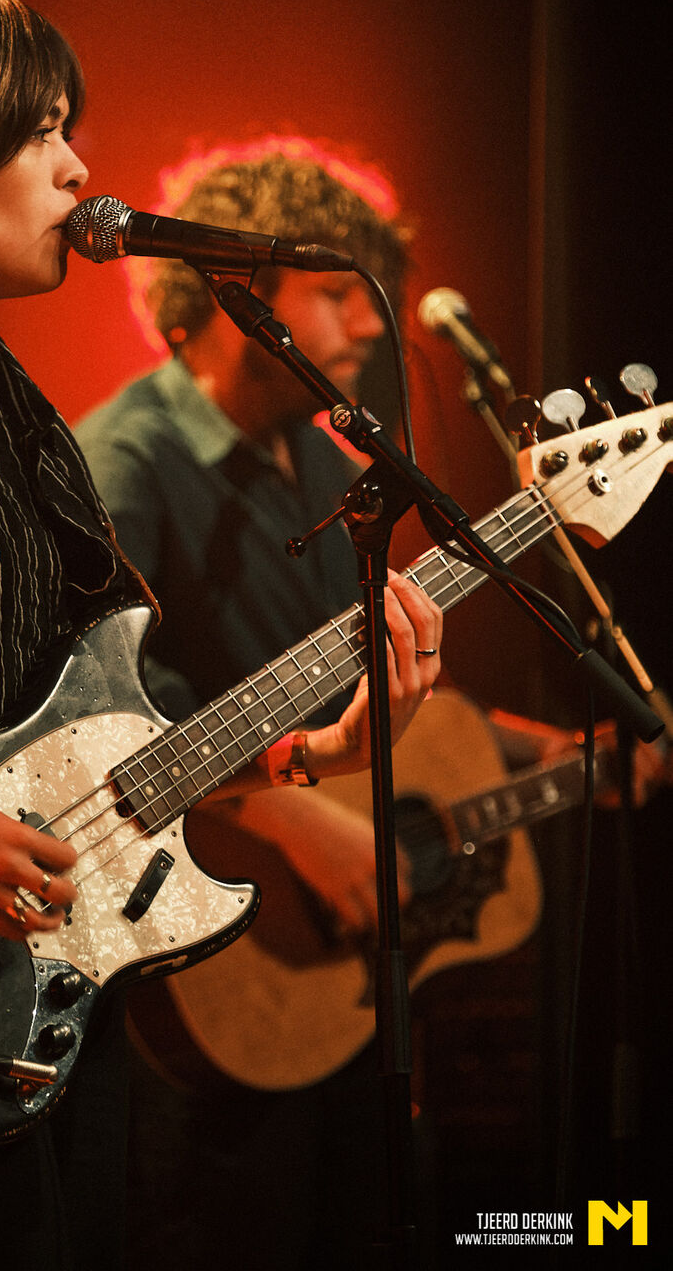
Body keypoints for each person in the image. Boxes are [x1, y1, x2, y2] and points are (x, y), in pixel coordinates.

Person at [0, 0, 442, 1271]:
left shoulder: (13, 414)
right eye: (37, 131)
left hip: (46, 981)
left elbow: (101, 741)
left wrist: (311, 754)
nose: (77, 168)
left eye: (70, 128)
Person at [75, 141, 637, 1268]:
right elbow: (110, 705)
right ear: (229, 293)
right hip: (202, 955)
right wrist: (303, 822)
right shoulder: (123, 460)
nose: (368, 325)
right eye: (335, 291)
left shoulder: (330, 462)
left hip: (337, 991)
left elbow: (356, 676)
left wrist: (537, 746)